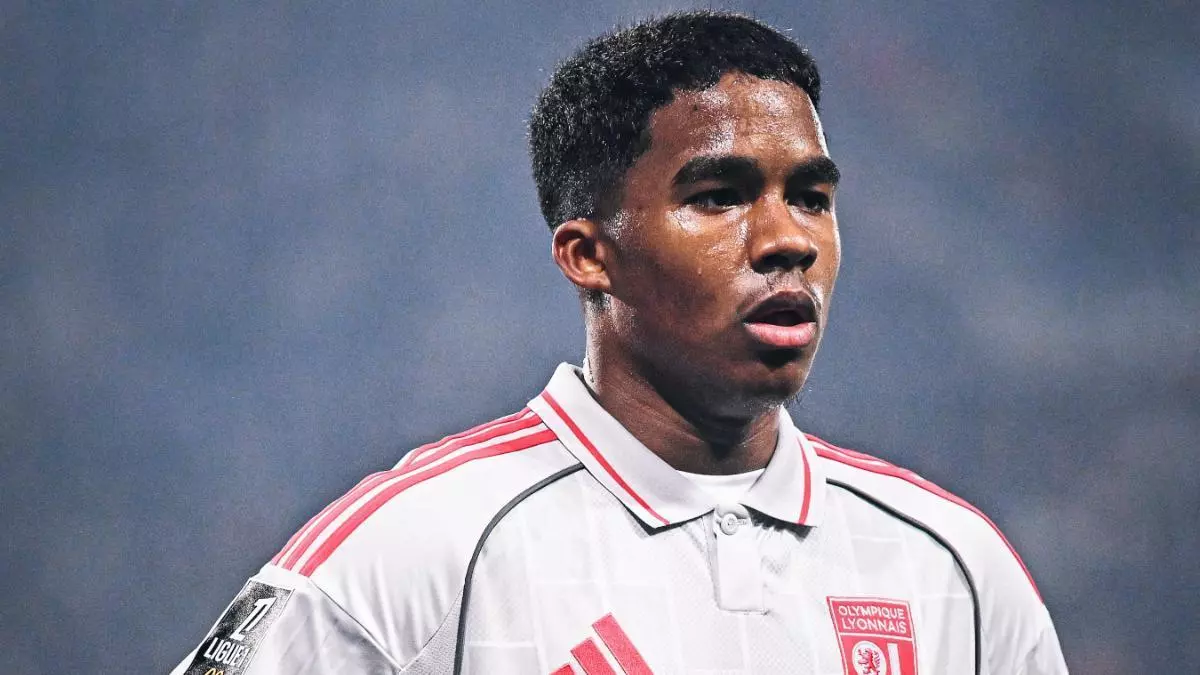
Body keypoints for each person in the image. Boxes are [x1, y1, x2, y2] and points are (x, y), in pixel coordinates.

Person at [172, 11, 1067, 675]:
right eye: (719, 197)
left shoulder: (953, 567)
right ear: (589, 254)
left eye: (811, 198)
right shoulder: (415, 553)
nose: (788, 238)